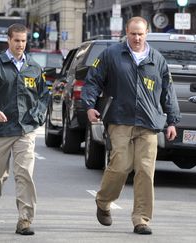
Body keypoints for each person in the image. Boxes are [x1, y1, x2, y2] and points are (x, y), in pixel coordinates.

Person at [81, 16, 181, 235]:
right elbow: (93, 80)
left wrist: (172, 120)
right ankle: (104, 201)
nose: (137, 38)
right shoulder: (111, 54)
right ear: (126, 32)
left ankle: (141, 219)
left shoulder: (157, 59)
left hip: (149, 123)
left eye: (141, 34)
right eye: (133, 33)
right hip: (120, 120)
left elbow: (168, 91)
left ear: (147, 33)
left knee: (145, 171)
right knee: (120, 166)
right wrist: (89, 105)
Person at [0, 23, 50, 235]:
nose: (20, 45)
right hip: (0, 130)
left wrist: (37, 116)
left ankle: (25, 219)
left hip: (25, 129)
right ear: (8, 40)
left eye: (23, 41)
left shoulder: (34, 67)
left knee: (24, 174)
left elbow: (44, 96)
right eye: (16, 40)